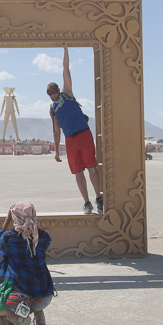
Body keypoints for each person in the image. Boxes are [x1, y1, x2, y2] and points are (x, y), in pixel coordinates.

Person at [48, 43, 103, 214]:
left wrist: (65, 50)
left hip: (84, 134)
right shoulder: (53, 109)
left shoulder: (67, 93)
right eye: (49, 93)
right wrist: (56, 151)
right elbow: (56, 131)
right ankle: (86, 202)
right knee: (78, 172)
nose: (53, 94)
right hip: (70, 140)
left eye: (54, 91)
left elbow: (66, 70)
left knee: (92, 167)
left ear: (58, 89)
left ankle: (99, 198)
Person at [0, 202, 54, 325]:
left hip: (19, 301)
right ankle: (39, 316)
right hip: (45, 295)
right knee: (35, 270)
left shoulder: (8, 239)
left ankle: (21, 323)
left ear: (15, 218)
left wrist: (6, 221)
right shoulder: (43, 237)